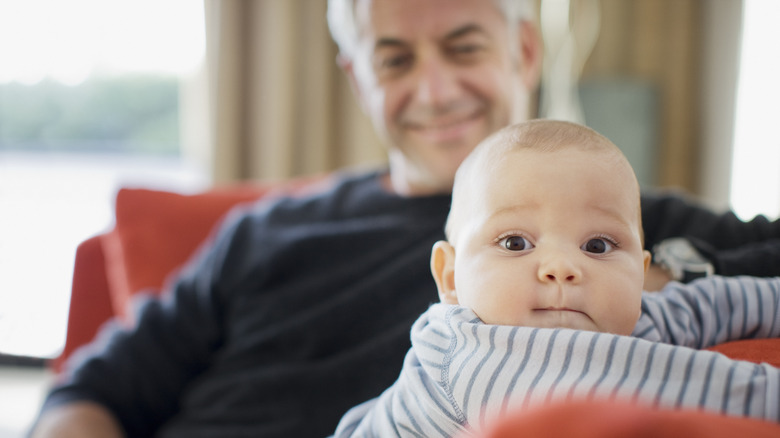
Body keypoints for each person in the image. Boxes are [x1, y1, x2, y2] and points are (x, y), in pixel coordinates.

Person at [29, 1, 780, 437]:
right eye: (394, 60)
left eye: (463, 46)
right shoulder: (267, 229)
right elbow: (93, 389)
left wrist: (663, 264)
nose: (434, 88)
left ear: (522, 51)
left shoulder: (615, 218)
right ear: (359, 78)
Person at [332, 120, 780, 437]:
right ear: (450, 276)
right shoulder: (484, 359)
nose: (562, 267)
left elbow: (708, 305)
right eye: (514, 243)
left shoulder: (610, 316)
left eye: (598, 246)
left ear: (640, 276)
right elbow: (695, 391)